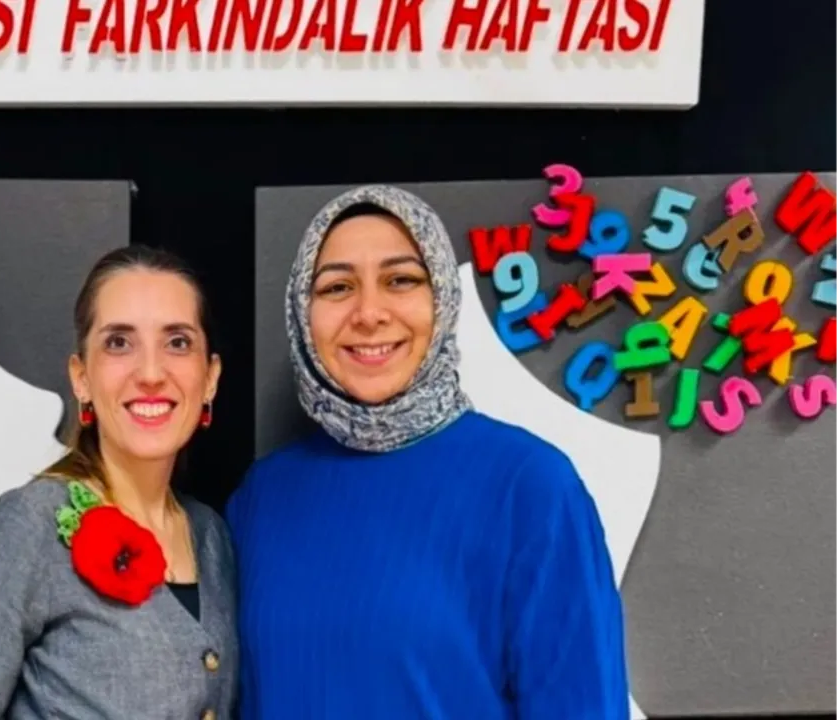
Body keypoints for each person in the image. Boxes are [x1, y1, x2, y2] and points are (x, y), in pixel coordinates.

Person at [227, 185, 629, 719]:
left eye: (401, 280)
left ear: (441, 296)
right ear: (303, 312)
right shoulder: (263, 495)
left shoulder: (530, 486)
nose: (369, 313)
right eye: (337, 287)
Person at [0, 246, 237, 720]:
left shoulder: (212, 536)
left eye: (178, 342)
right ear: (81, 378)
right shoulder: (28, 525)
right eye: (119, 343)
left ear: (210, 378)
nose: (150, 373)